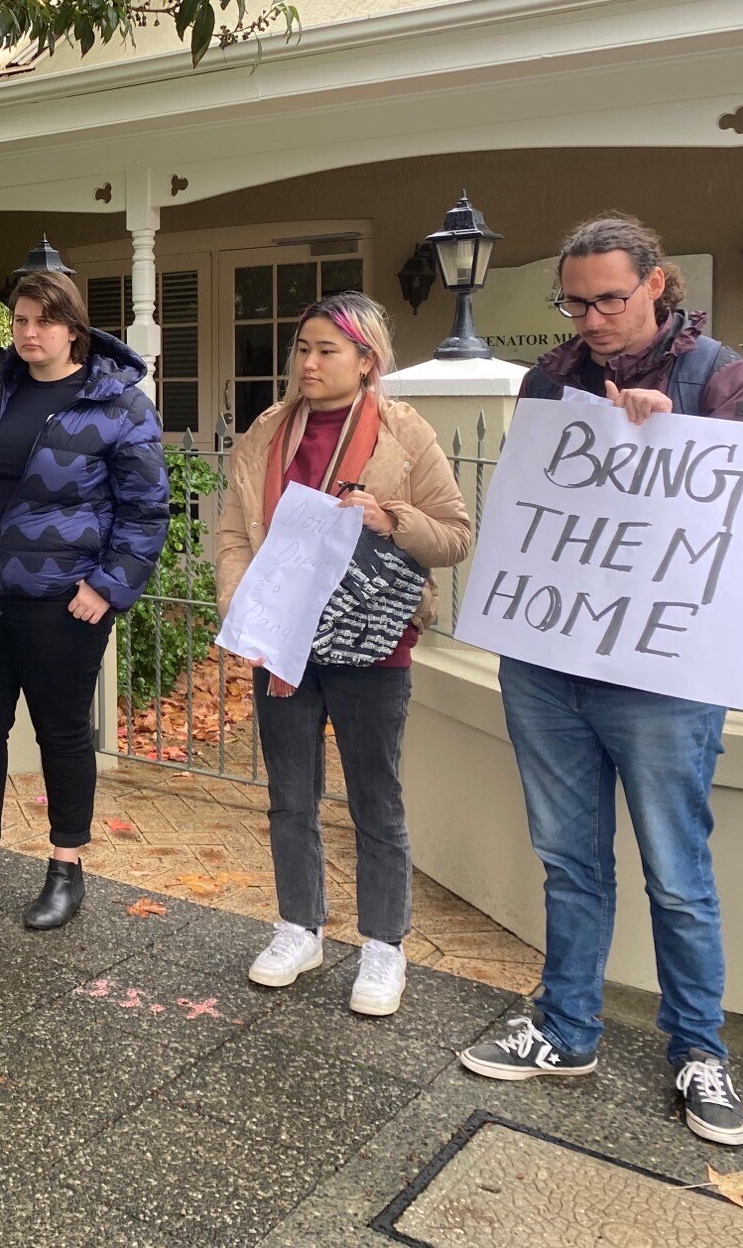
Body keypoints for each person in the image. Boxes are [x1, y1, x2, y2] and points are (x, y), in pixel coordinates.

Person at [459, 214, 743, 1148]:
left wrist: (679, 447)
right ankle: (567, 1031)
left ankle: (698, 1052)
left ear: (658, 285)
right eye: (576, 300)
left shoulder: (724, 379)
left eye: (610, 298)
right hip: (550, 662)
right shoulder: (549, 378)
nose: (592, 317)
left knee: (678, 875)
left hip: (664, 675)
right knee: (569, 861)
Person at [213, 292, 472, 1016]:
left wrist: (390, 517)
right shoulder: (268, 432)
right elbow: (235, 531)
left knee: (374, 799)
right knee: (289, 794)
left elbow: (454, 535)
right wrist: (239, 603)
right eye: (303, 348)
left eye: (328, 349)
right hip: (284, 643)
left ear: (368, 359)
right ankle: (300, 926)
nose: (310, 362)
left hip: (373, 644)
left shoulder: (404, 433)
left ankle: (384, 945)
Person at [0, 269, 169, 930]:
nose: (30, 333)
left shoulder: (118, 406)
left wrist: (109, 586)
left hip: (62, 602)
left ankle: (66, 868)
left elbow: (146, 513)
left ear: (74, 327)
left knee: (61, 735)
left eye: (44, 321)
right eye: (20, 321)